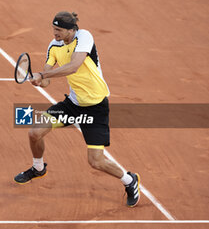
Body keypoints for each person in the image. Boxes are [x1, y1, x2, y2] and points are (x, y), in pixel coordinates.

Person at [14, 11, 140, 207]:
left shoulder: (84, 37)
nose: (54, 33)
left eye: (59, 30)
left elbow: (74, 66)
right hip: (73, 104)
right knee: (34, 132)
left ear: (72, 30)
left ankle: (130, 180)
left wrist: (43, 74)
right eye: (53, 29)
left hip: (95, 107)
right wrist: (40, 80)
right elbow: (47, 77)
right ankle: (38, 168)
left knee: (96, 162)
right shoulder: (53, 46)